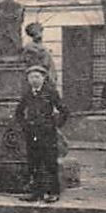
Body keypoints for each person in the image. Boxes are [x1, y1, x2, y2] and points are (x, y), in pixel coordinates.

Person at [15, 63, 69, 203]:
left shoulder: (50, 92)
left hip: (47, 134)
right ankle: (36, 193)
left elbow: (64, 111)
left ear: (44, 78)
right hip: (32, 134)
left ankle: (53, 192)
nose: (34, 80)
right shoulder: (27, 94)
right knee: (34, 163)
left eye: (37, 77)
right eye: (31, 77)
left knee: (50, 163)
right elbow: (19, 112)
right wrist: (24, 126)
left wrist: (55, 125)